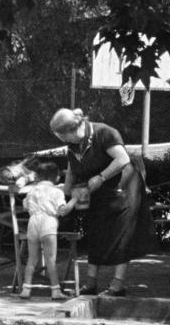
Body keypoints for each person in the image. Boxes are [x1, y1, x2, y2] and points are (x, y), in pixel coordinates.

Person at [49, 108, 155, 298]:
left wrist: (101, 177)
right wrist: (66, 192)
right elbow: (72, 168)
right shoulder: (75, 143)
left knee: (120, 234)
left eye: (66, 137)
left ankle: (118, 285)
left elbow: (122, 158)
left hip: (124, 188)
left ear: (76, 127)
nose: (67, 142)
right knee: (95, 233)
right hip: (99, 192)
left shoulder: (104, 133)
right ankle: (90, 284)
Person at [17, 159, 75, 300]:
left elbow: (25, 206)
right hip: (49, 223)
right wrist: (75, 199)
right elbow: (62, 211)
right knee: (50, 259)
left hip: (33, 223)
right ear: (57, 177)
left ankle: (26, 289)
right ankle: (55, 290)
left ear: (37, 177)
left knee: (32, 259)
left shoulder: (31, 191)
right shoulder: (57, 192)